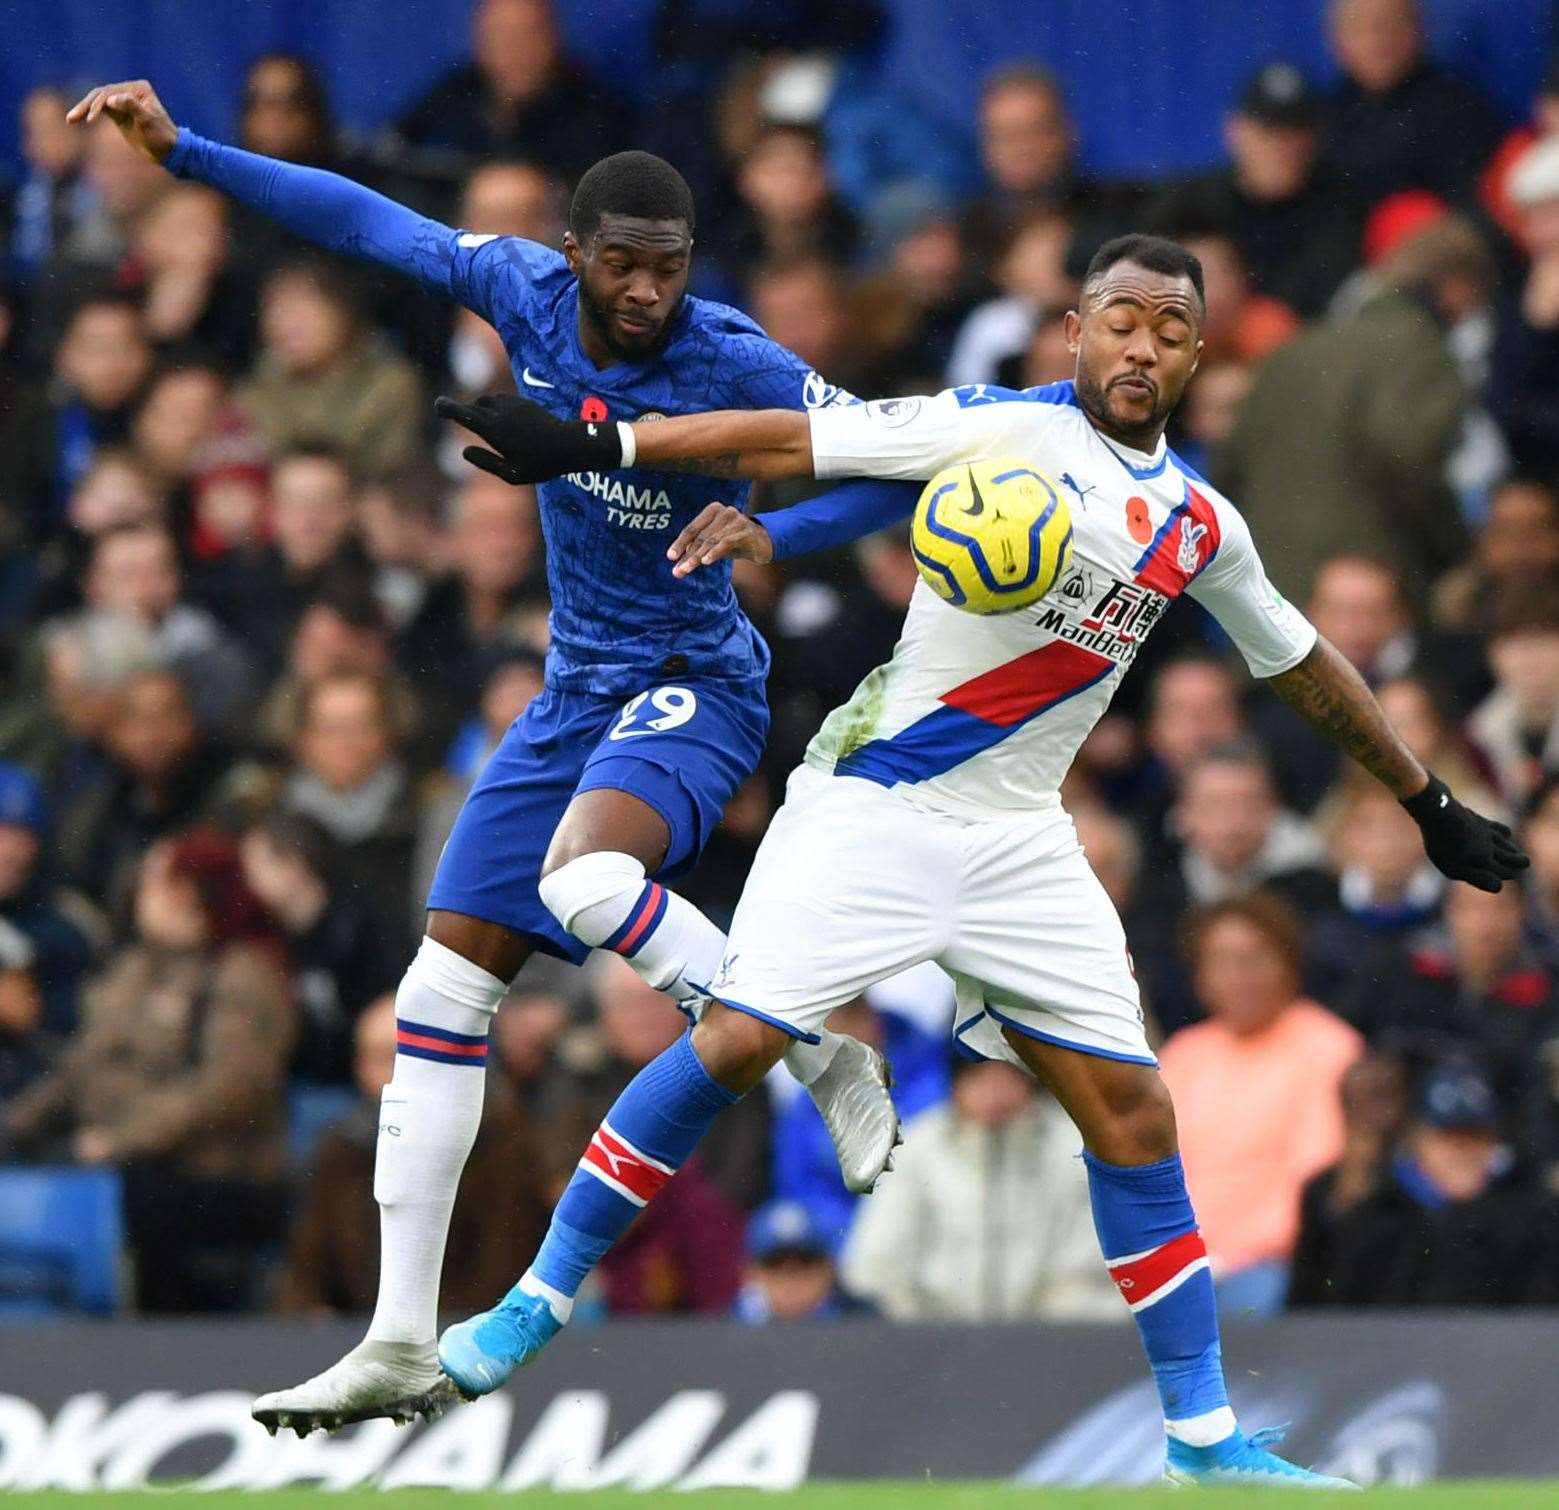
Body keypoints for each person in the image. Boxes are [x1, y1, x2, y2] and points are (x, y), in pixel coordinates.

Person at [432, 233, 1523, 1486]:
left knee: (1132, 1108)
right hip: (875, 805)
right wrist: (594, 447)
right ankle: (537, 1298)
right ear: (1074, 328)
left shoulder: (1200, 524)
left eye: (1169, 330)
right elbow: (793, 440)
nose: (1141, 347)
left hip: (1019, 837)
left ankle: (1203, 1440)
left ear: (1196, 354)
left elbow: (1298, 661)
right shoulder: (991, 429)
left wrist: (1424, 797)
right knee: (735, 1040)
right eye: (1120, 319)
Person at [69, 76, 908, 1428]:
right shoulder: (516, 289)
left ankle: (809, 1044)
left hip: (694, 682)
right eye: (622, 264)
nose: (646, 291)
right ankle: (401, 1337)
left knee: (584, 884)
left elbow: (893, 462)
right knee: (437, 1001)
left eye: (669, 266)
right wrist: (189, 156)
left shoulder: (736, 358)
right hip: (575, 692)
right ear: (573, 255)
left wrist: (772, 531)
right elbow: (362, 221)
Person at [4, 829, 295, 1312]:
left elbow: (227, 1091)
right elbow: (81, 1067)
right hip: (119, 1162)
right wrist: (16, 1124)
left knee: (134, 1203)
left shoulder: (243, 972)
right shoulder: (134, 968)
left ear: (196, 893)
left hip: (214, 1175)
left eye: (161, 879)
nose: (145, 891)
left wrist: (118, 1141)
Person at [279, 994, 550, 1317]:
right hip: (361, 1337)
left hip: (467, 1337)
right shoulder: (341, 1153)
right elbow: (309, 1268)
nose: (399, 1075)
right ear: (360, 1069)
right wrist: (313, 1315)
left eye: (411, 1058)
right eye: (385, 1058)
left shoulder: (502, 1145)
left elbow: (505, 1270)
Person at [1157, 895, 1362, 1316]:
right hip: (1180, 1265)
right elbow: (1152, 1168)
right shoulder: (1185, 1053)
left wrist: (1225, 1257)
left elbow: (1317, 1176)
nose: (1240, 977)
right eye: (1222, 961)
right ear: (1199, 976)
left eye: (1255, 959)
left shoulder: (1328, 1048)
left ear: (1289, 964)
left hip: (1271, 1267)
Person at [841, 1056, 1119, 1322]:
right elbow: (876, 1267)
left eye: (1008, 1076)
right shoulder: (915, 1149)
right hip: (934, 1349)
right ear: (956, 1083)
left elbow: (1090, 1268)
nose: (995, 1091)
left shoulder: (1075, 1151)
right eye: (980, 1077)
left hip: (1056, 1345)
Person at [736, 1199, 871, 1323]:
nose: (790, 1280)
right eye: (774, 1264)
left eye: (806, 1262)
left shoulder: (869, 1326)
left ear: (829, 1268)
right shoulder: (728, 1332)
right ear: (750, 1273)